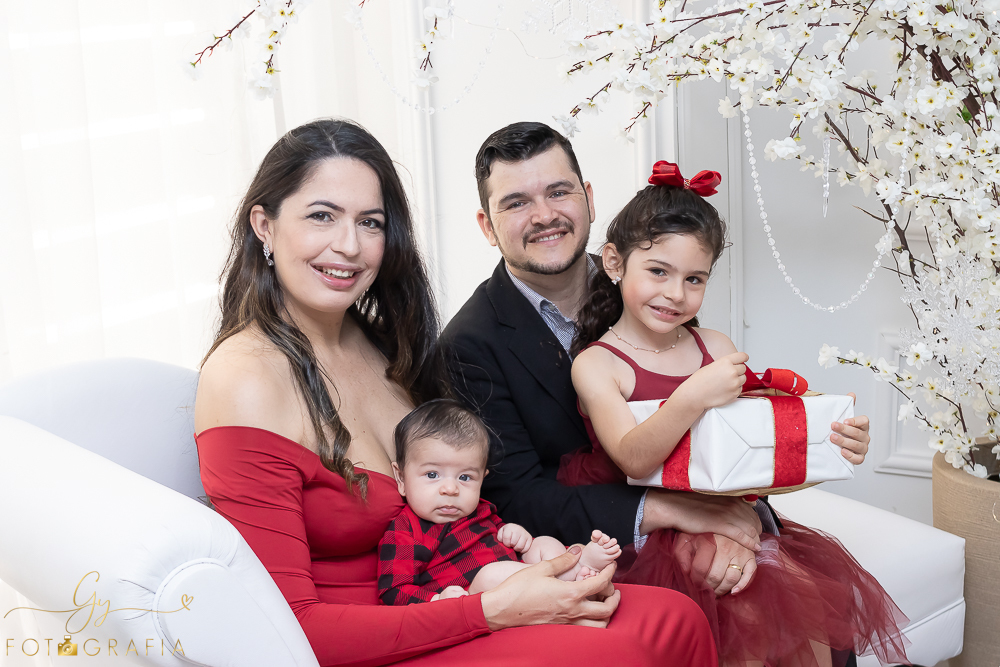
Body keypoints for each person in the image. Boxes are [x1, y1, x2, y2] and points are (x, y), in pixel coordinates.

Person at [194, 118, 718, 667]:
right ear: (264, 225)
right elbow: (283, 625)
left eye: (370, 223)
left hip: (454, 593)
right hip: (365, 638)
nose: (348, 246)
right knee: (623, 649)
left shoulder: (382, 350)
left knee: (671, 618)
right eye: (321, 216)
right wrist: (496, 607)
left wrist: (533, 566)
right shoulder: (245, 378)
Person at [441, 121, 873, 601]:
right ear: (487, 225)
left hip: (720, 508)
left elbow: (731, 426)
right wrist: (685, 515)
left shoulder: (652, 280)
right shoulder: (468, 344)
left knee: (809, 602)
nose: (545, 215)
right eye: (517, 202)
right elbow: (518, 498)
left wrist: (823, 437)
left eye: (559, 192)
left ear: (586, 196)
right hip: (600, 544)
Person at [561, 162, 909, 667]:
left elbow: (757, 446)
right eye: (658, 271)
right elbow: (634, 459)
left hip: (736, 510)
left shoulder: (715, 346)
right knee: (745, 618)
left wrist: (833, 440)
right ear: (614, 262)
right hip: (660, 531)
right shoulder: (598, 364)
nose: (676, 294)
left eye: (694, 278)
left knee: (806, 604)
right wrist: (691, 397)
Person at [378, 399, 621, 606]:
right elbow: (393, 591)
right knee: (490, 575)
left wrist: (517, 536)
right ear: (401, 478)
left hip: (517, 583)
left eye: (465, 477)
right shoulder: (406, 530)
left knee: (542, 544)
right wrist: (436, 601)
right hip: (479, 601)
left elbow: (506, 544)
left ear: (481, 479)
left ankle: (577, 567)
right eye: (432, 475)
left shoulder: (481, 509)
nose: (450, 489)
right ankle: (568, 579)